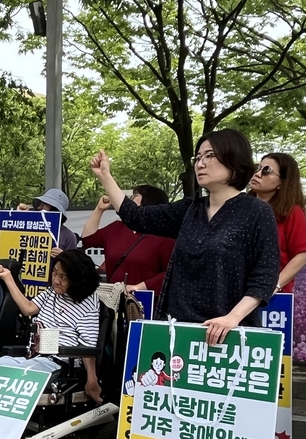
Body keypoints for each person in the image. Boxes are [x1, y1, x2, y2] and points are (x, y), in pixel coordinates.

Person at [90, 128, 279, 345]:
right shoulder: (190, 208)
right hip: (178, 329)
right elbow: (136, 217)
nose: (200, 163)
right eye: (198, 158)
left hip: (228, 333)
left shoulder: (257, 212)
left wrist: (232, 318)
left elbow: (265, 276)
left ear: (234, 158)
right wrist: (105, 176)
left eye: (209, 156)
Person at [0, 249, 103, 403]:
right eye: (55, 273)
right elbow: (28, 308)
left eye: (63, 277)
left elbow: (87, 348)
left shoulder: (88, 304)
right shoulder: (52, 292)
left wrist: (92, 379)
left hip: (60, 364)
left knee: (9, 376)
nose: (56, 280)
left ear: (77, 279)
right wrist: (9, 278)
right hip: (36, 357)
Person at [81, 185, 175, 293]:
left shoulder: (163, 236)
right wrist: (99, 209)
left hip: (144, 302)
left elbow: (171, 272)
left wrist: (139, 287)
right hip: (114, 299)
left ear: (149, 200)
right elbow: (88, 239)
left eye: (135, 195)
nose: (130, 199)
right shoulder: (117, 227)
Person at [249, 152, 306, 293]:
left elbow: (301, 255)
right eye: (257, 168)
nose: (258, 174)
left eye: (267, 171)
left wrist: (274, 285)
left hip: (274, 299)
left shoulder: (292, 211)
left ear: (282, 182)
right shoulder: (240, 207)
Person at [16, 188, 79, 255]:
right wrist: (19, 217)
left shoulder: (69, 236)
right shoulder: (30, 226)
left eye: (44, 205)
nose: (39, 208)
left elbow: (73, 264)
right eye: (40, 204)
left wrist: (63, 256)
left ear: (55, 209)